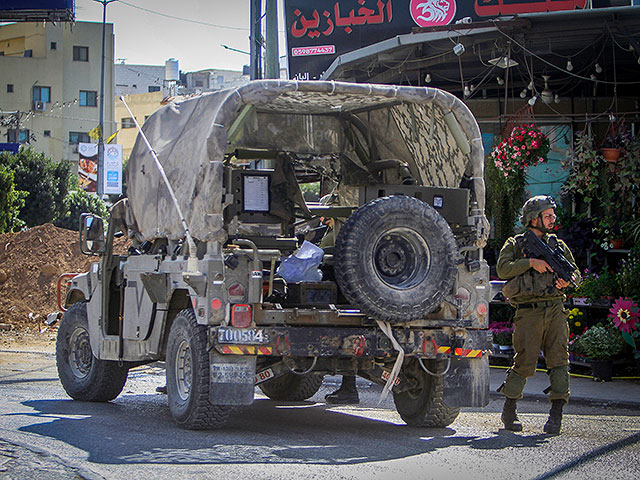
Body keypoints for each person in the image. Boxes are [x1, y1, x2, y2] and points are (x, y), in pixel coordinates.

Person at [496, 195, 580, 434]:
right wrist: (530, 263)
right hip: (528, 312)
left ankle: (556, 415)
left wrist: (568, 281)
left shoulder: (558, 246)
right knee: (524, 361)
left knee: (559, 361)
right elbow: (503, 270)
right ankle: (509, 409)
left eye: (553, 215)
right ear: (534, 219)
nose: (553, 219)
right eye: (548, 215)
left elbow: (576, 274)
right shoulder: (515, 244)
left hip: (554, 308)